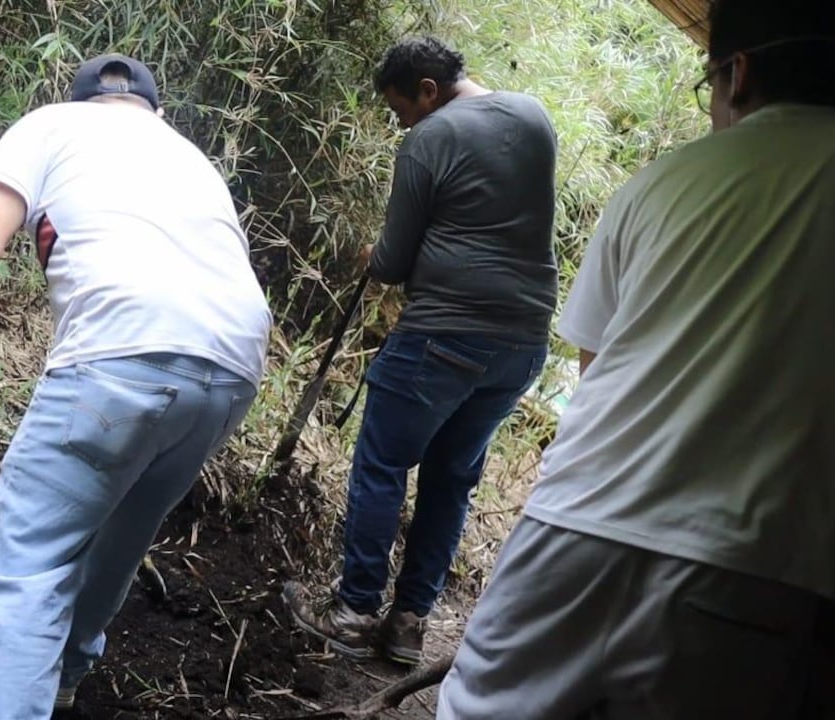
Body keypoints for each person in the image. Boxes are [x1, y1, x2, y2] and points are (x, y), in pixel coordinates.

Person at [435, 0, 835, 717]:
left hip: (574, 526)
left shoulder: (665, 180)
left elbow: (593, 369)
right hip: (757, 569)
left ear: (736, 75)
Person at [0, 53, 272, 720]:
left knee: (29, 565)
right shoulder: (191, 157)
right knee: (122, 534)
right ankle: (62, 678)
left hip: (120, 357)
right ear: (155, 111)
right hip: (233, 370)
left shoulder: (52, 126)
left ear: (82, 99)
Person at [283, 35, 559, 665]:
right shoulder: (534, 116)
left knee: (382, 463)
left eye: (399, 107)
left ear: (427, 91)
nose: (399, 121)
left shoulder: (430, 138)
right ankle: (408, 623)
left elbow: (394, 261)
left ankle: (354, 613)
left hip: (443, 333)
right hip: (521, 343)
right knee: (451, 479)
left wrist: (370, 258)